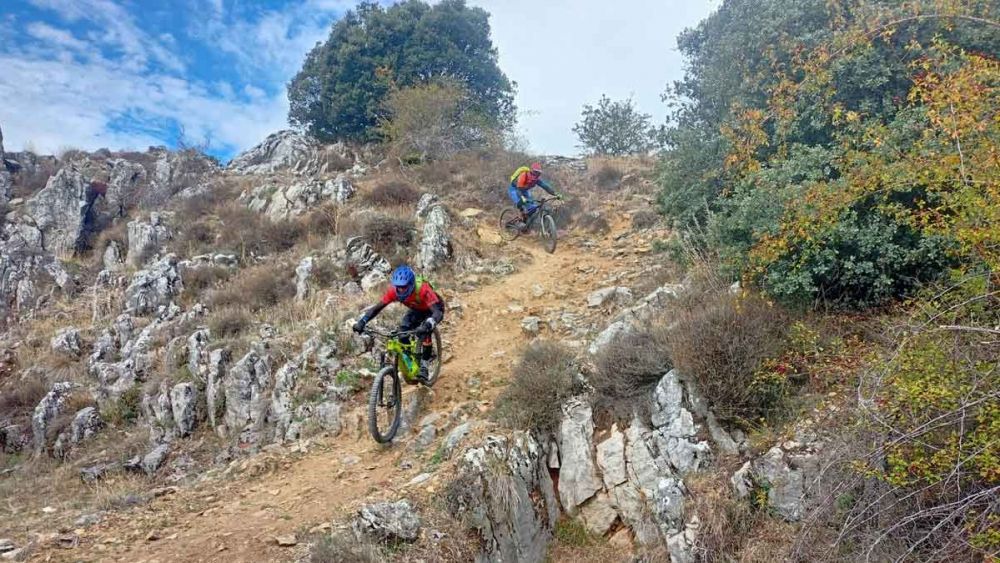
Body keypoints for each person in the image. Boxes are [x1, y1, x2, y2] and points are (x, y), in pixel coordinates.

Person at [352, 265, 444, 384]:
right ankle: (411, 359)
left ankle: (424, 365)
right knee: (402, 332)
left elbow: (437, 312)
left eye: (404, 287)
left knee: (425, 333)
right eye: (398, 287)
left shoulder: (423, 289)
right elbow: (377, 308)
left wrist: (429, 324)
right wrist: (362, 322)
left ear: (411, 284)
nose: (400, 290)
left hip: (433, 309)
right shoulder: (394, 291)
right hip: (416, 309)